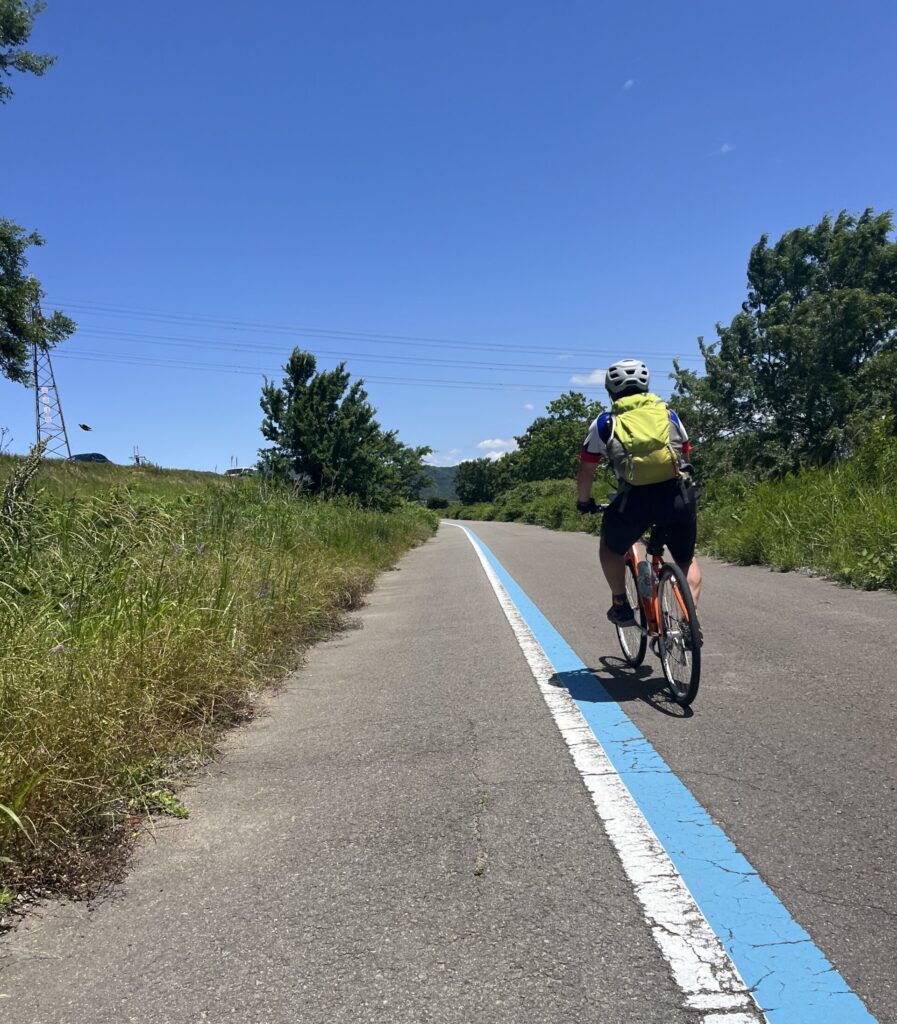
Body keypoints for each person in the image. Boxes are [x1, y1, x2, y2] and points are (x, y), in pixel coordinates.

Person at [575, 358, 701, 628]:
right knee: (686, 560)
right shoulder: (669, 414)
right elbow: (686, 454)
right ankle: (690, 622)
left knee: (609, 548)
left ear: (611, 392)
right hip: (677, 496)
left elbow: (586, 471)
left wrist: (583, 502)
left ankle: (620, 604)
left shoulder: (605, 422)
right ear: (646, 387)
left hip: (635, 501)